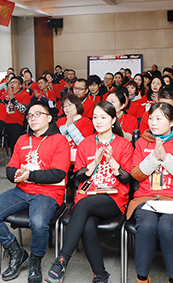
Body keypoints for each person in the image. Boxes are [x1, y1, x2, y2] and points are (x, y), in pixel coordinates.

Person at [45, 101, 133, 283]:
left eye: (103, 117)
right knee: (87, 226)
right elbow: (77, 178)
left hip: (113, 198)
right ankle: (101, 275)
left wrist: (112, 161)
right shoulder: (86, 144)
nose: (98, 121)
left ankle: (62, 260)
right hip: (88, 195)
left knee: (83, 205)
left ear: (113, 120)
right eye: (95, 117)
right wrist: (93, 164)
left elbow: (127, 179)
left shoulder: (124, 144)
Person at [0, 101, 70, 283]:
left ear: (49, 117)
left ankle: (35, 260)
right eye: (30, 115)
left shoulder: (59, 140)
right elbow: (11, 166)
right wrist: (15, 174)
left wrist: (30, 174)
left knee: (38, 223)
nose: (32, 118)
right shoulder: (23, 139)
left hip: (48, 192)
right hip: (22, 189)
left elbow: (58, 173)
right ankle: (16, 252)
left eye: (38, 114)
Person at [129, 103, 173, 283]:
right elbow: (136, 174)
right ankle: (142, 278)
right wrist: (153, 158)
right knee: (146, 225)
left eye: (159, 119)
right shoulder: (142, 142)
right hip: (148, 197)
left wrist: (166, 159)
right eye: (151, 118)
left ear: (172, 121)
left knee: (167, 227)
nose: (153, 123)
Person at [57, 94, 94, 163]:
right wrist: (65, 127)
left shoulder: (86, 121)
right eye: (65, 106)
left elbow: (84, 144)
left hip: (78, 158)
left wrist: (70, 126)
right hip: (60, 157)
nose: (67, 108)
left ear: (77, 105)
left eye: (70, 105)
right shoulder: (60, 121)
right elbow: (55, 140)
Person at [3, 76, 31, 153]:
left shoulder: (25, 94)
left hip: (15, 122)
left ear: (20, 85)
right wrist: (6, 100)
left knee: (14, 136)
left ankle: (14, 157)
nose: (12, 84)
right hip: (3, 121)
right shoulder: (5, 94)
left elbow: (23, 110)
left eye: (15, 82)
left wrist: (13, 100)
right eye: (11, 82)